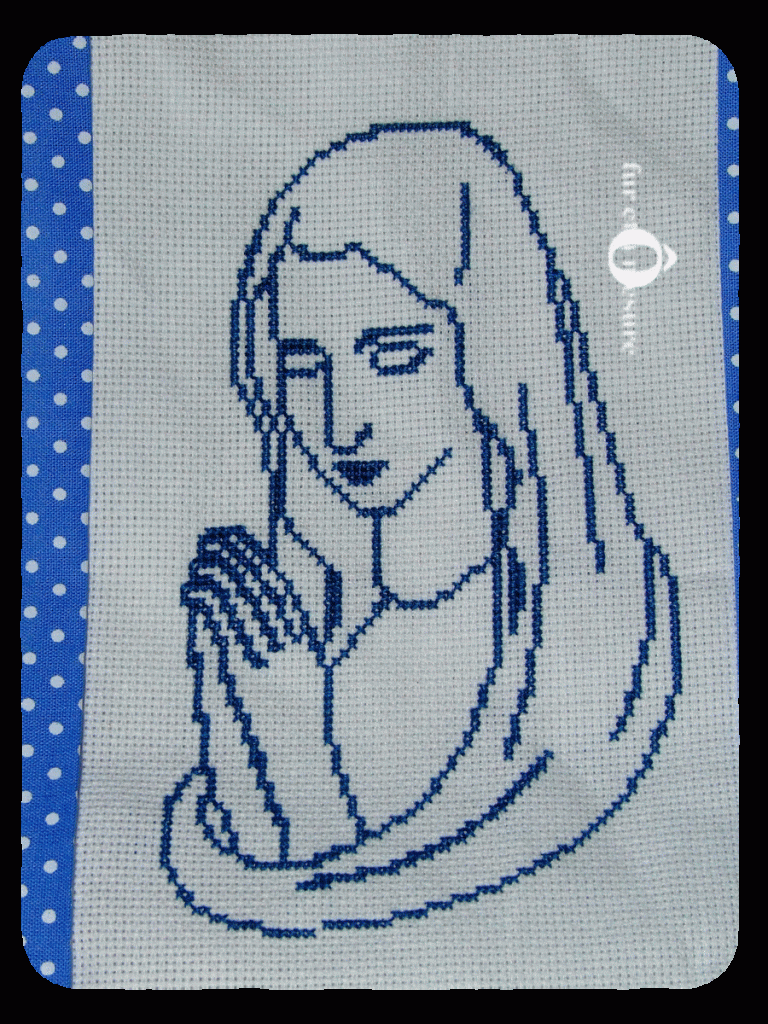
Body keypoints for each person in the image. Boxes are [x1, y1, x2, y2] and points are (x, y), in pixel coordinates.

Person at [163, 124, 681, 923]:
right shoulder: (309, 607)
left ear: (493, 346)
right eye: (302, 366)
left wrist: (292, 743)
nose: (342, 423)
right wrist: (243, 719)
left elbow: (386, 911)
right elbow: (273, 869)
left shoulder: (583, 624)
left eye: (397, 355)